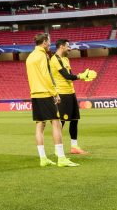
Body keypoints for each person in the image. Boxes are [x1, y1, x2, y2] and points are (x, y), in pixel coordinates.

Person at [26, 33, 78, 167]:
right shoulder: (43, 56)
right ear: (44, 42)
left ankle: (43, 158)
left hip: (35, 93)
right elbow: (46, 76)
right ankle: (61, 158)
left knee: (40, 125)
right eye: (48, 41)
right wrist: (55, 93)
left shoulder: (30, 57)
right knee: (56, 123)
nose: (50, 44)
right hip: (45, 93)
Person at [49, 39, 95, 155]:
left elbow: (70, 76)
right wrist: (82, 76)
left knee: (74, 120)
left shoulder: (65, 59)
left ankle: (74, 147)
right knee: (62, 122)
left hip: (71, 92)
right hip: (62, 94)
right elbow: (67, 76)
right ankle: (57, 148)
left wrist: (81, 77)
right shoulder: (55, 59)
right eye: (68, 46)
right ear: (62, 47)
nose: (70, 49)